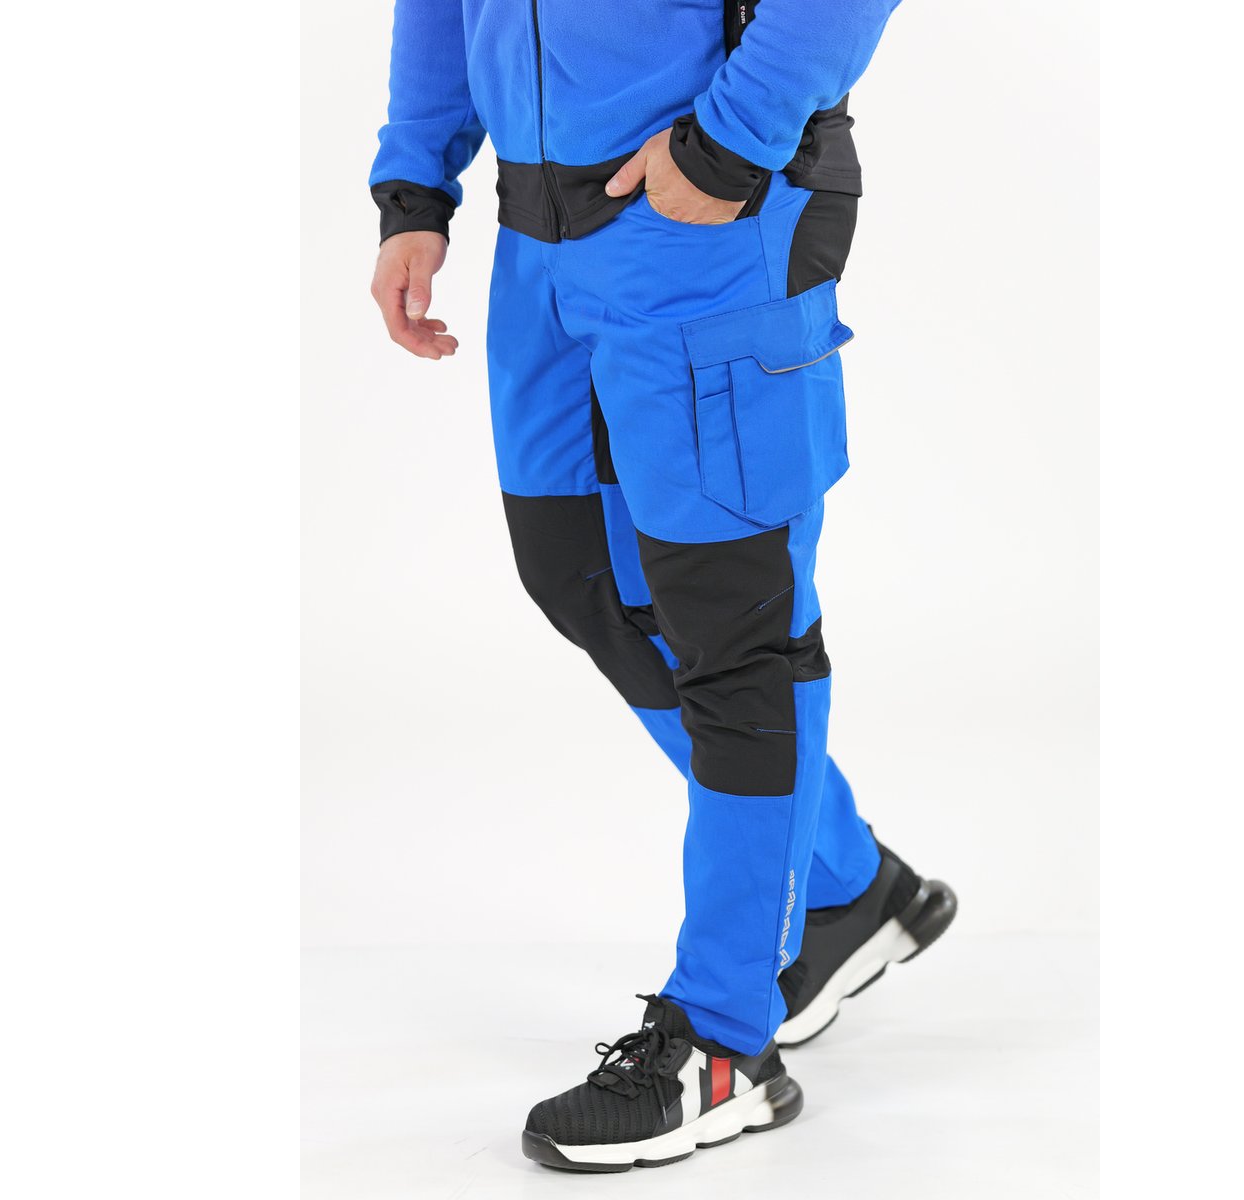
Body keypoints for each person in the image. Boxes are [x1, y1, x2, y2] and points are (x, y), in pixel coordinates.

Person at [368, 0, 956, 1172]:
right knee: (580, 577)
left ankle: (725, 1043)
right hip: (538, 240)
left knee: (738, 636)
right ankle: (845, 886)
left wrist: (729, 143)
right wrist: (415, 187)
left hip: (709, 226)